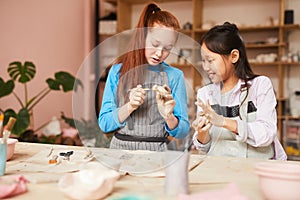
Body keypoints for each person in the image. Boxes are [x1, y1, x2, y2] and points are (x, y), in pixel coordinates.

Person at [99, 3, 190, 151]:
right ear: (143, 37)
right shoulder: (117, 72)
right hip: (120, 152)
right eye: (155, 44)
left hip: (157, 153)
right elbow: (104, 123)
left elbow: (183, 131)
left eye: (167, 48)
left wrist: (169, 116)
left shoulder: (175, 76)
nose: (159, 53)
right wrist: (129, 107)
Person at [192, 22, 287, 160]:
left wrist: (223, 121)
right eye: (203, 61)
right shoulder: (205, 94)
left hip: (257, 167)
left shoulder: (259, 85)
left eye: (210, 60)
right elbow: (204, 147)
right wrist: (202, 133)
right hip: (220, 168)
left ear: (234, 56)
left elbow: (266, 134)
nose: (206, 67)